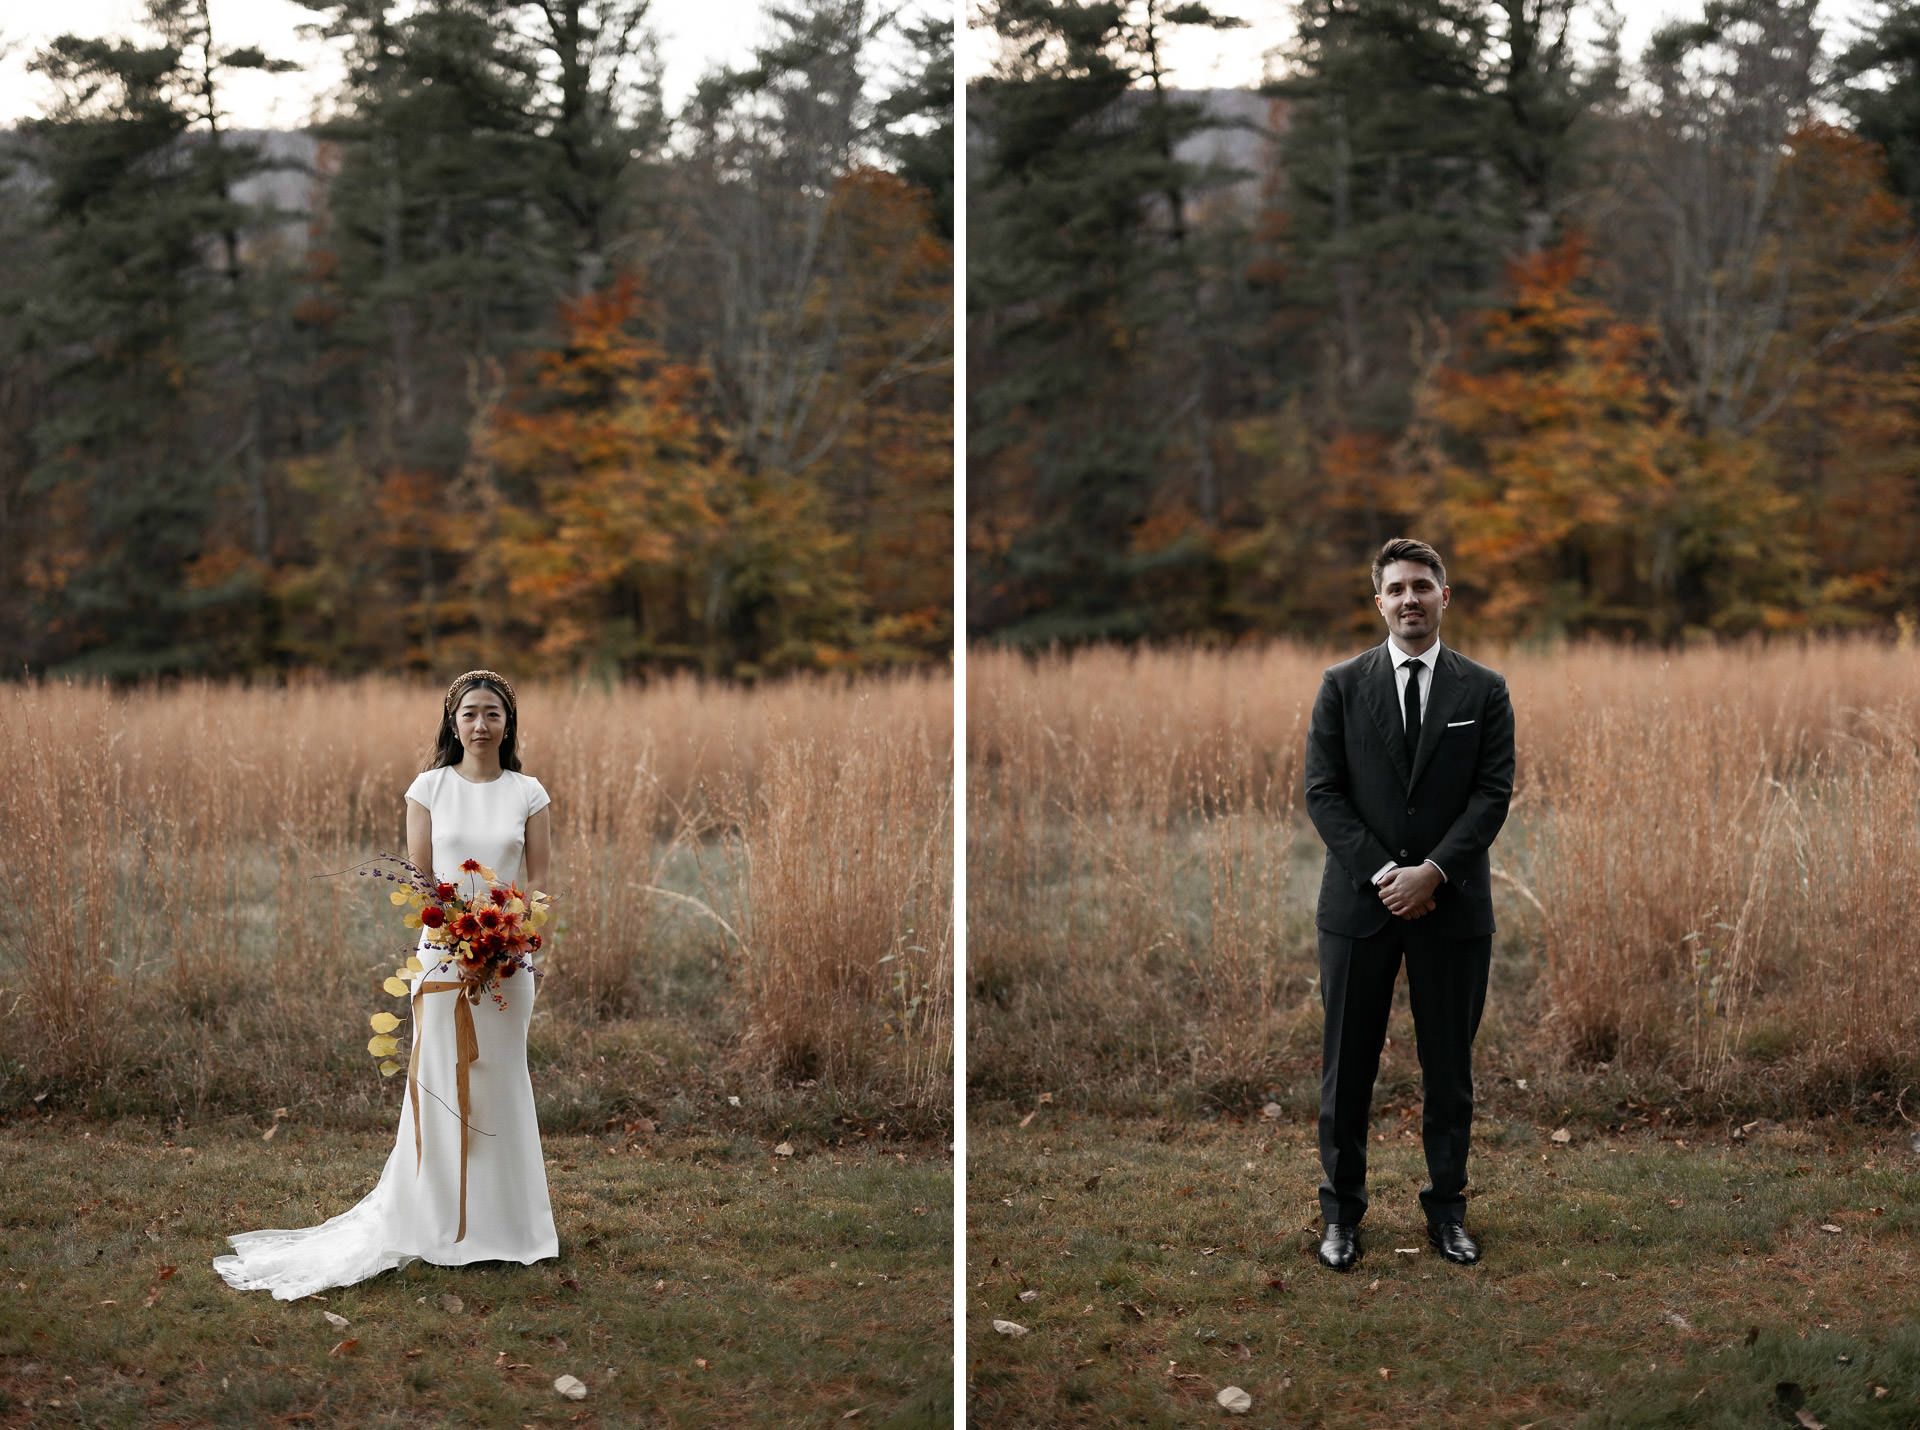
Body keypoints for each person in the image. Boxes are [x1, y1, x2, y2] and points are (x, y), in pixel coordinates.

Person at [215, 670, 559, 1299]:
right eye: (470, 714)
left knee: (503, 1082)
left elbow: (538, 881)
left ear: (508, 723)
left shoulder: (528, 792)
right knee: (438, 1085)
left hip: (507, 960)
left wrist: (514, 932)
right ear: (452, 723)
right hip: (443, 954)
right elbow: (423, 878)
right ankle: (434, 1224)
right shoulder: (427, 788)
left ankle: (512, 1231)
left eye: (493, 714)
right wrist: (460, 931)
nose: (481, 725)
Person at [1302, 538, 1514, 1272]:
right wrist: (1387, 876)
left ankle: (1448, 1213)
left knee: (1449, 1069)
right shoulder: (1341, 684)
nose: (1411, 599)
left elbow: (1492, 796)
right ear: (1379, 601)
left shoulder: (1483, 690)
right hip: (1359, 910)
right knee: (1347, 1068)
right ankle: (1341, 1218)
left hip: (1452, 908)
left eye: (1423, 586)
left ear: (1444, 597)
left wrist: (1433, 873)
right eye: (1396, 589)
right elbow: (1322, 793)